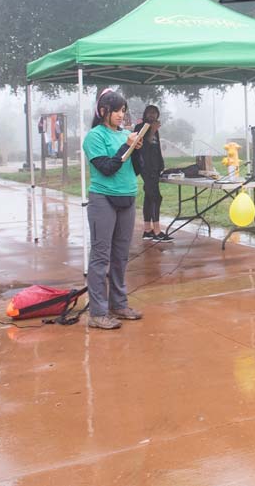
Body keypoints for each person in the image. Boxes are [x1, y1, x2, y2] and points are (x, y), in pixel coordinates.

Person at [83, 89, 144, 330]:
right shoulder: (94, 137)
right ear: (102, 112)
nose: (121, 115)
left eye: (123, 111)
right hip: (103, 200)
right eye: (117, 111)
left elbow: (134, 169)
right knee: (101, 256)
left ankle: (118, 304)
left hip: (127, 198)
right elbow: (107, 168)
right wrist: (125, 148)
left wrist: (138, 150)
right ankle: (97, 313)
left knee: (120, 256)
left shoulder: (126, 135)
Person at [131, 104, 170, 242]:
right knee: (156, 197)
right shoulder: (139, 128)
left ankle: (148, 230)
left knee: (149, 196)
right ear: (145, 114)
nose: (152, 115)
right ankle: (157, 231)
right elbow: (142, 148)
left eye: (155, 113)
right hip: (144, 167)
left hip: (155, 167)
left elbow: (156, 148)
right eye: (150, 113)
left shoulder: (155, 130)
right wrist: (152, 131)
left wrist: (161, 164)